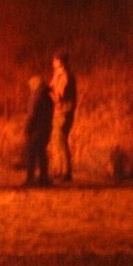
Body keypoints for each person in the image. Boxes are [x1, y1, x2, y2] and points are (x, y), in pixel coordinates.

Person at [49, 50, 77, 182]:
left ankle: (66, 172)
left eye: (55, 60)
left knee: (61, 140)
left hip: (63, 112)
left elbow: (60, 96)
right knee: (56, 141)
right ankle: (59, 170)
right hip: (57, 112)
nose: (53, 62)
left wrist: (48, 94)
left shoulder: (65, 76)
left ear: (61, 62)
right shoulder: (57, 75)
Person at [23, 75, 53, 186]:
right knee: (41, 153)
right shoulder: (48, 97)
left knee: (31, 153)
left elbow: (32, 114)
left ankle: (30, 178)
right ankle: (43, 178)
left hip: (36, 129)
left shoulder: (36, 97)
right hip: (46, 129)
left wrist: (27, 128)